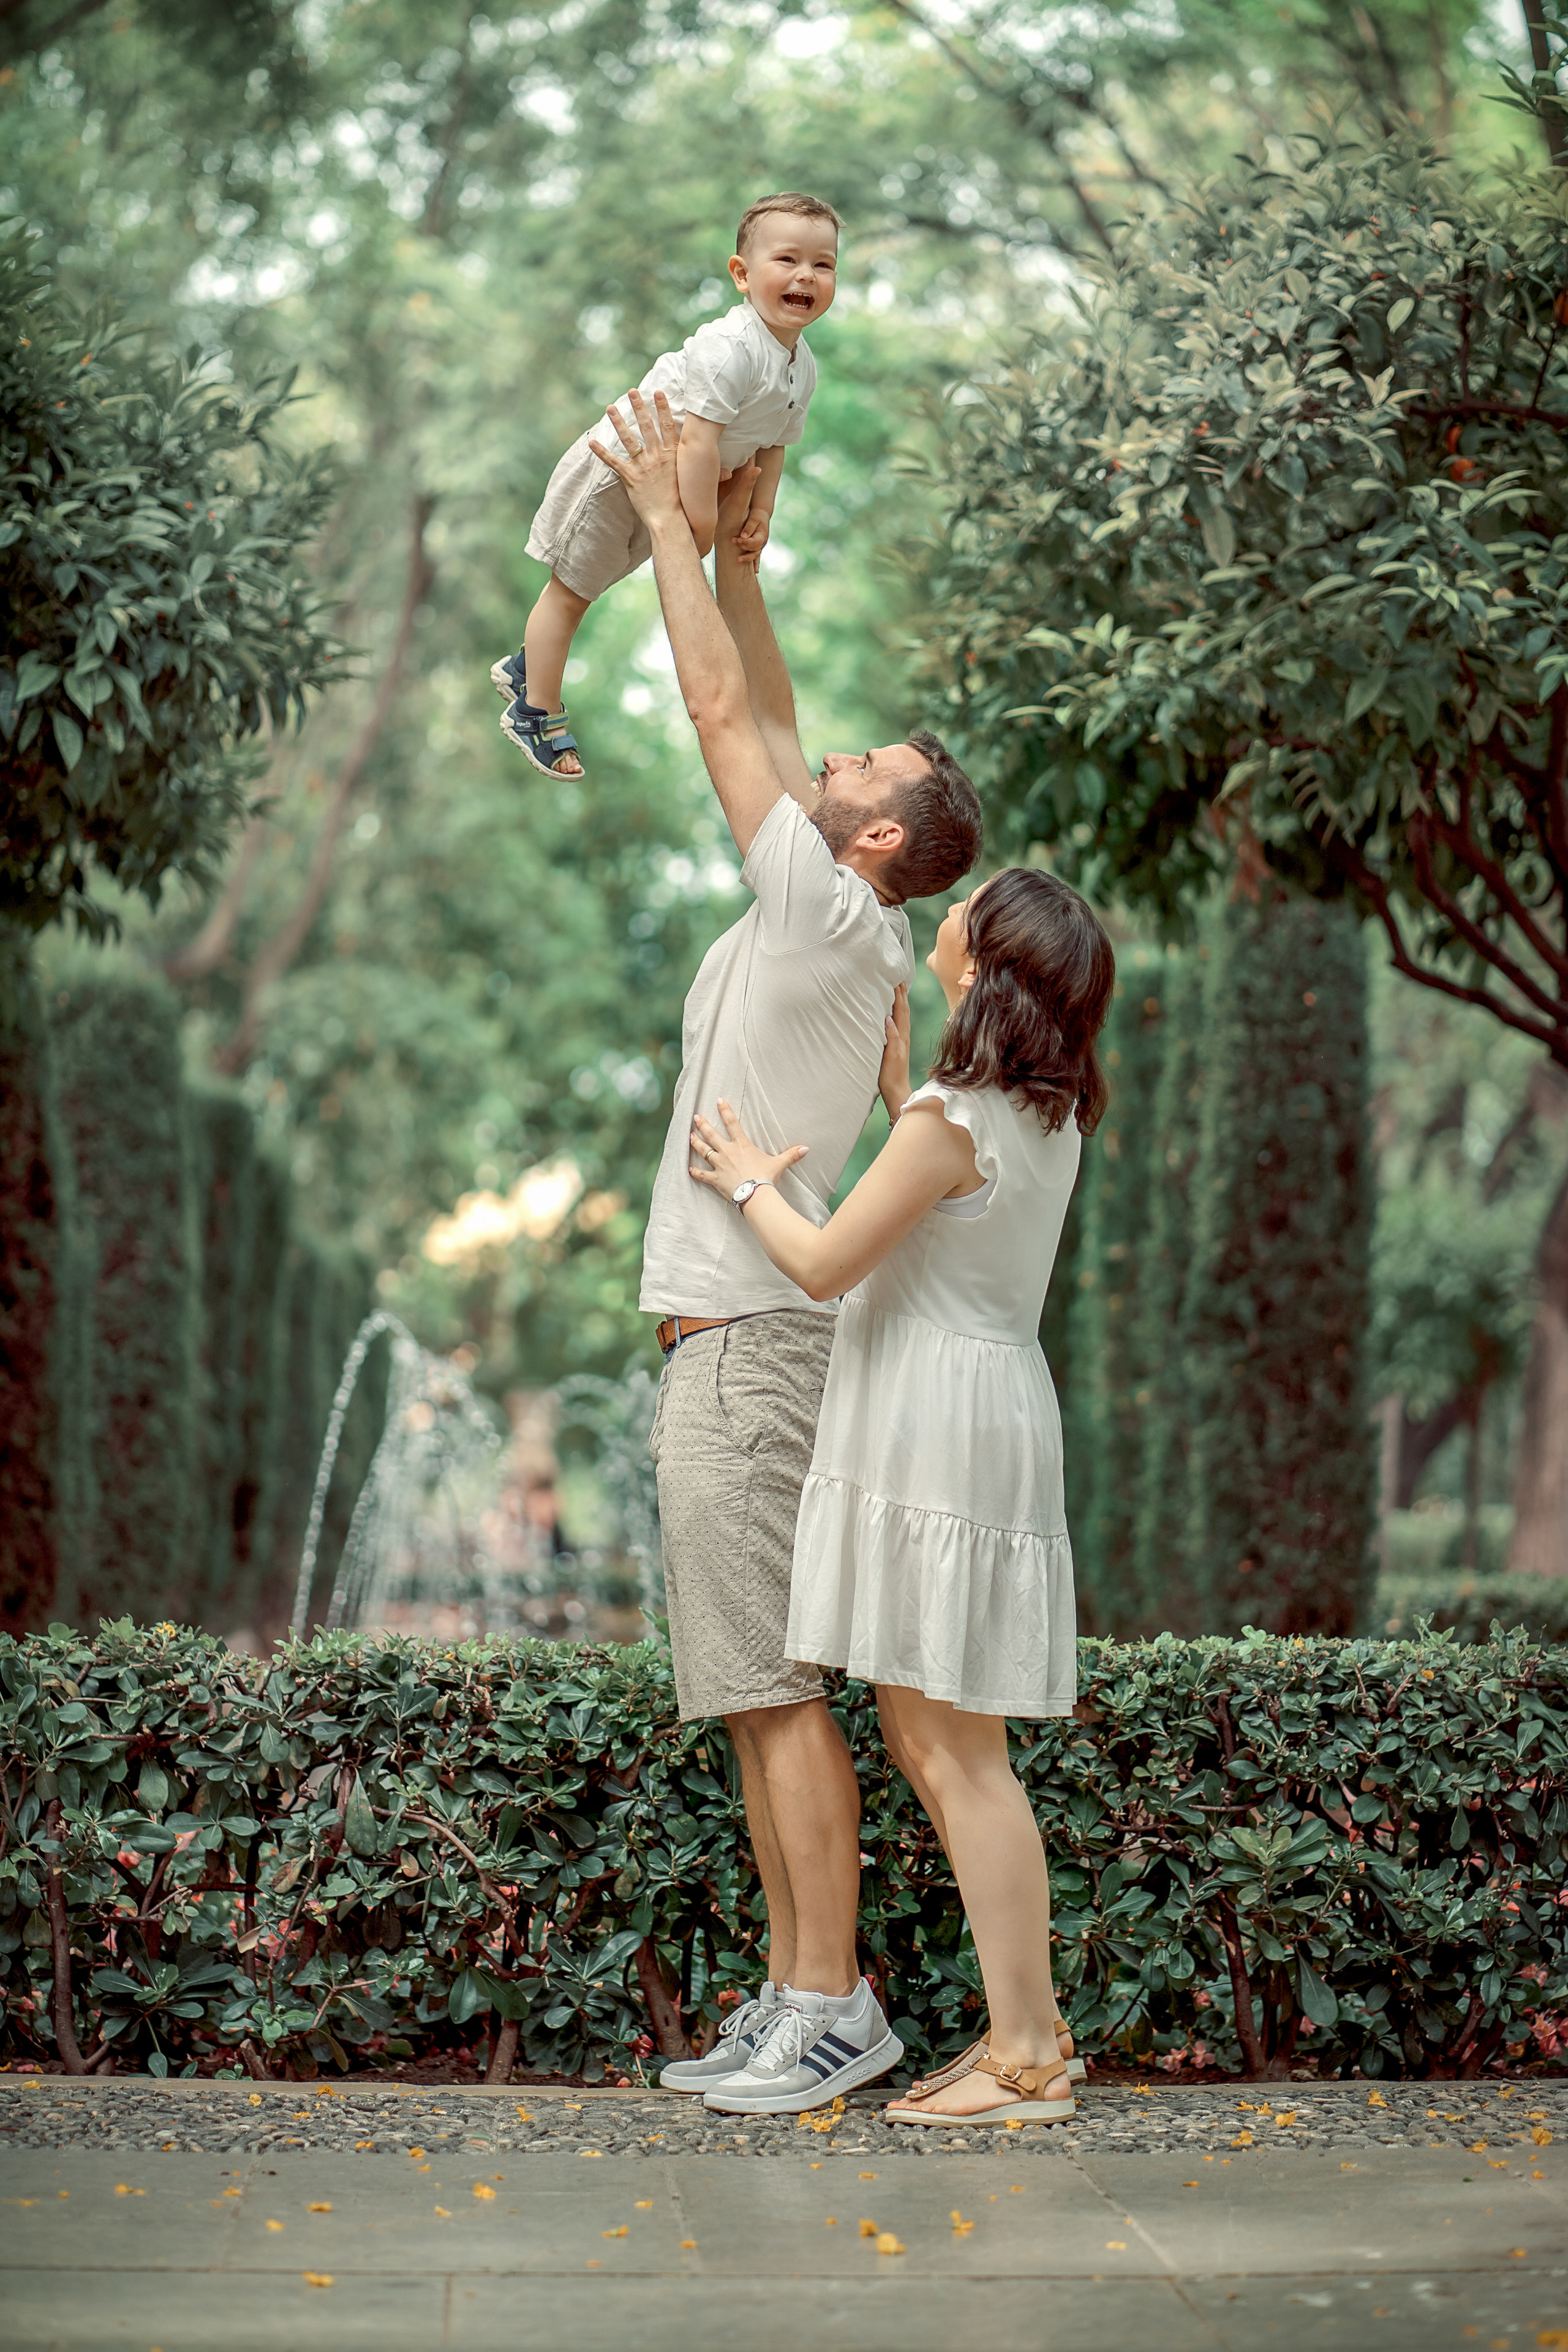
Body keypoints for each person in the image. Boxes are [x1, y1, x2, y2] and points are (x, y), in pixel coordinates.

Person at [586, 385, 982, 2114]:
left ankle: (832, 2006)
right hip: (737, 1337)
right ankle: (794, 1994)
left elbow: (723, 703)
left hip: (750, 1339)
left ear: (876, 840)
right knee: (755, 1694)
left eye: (857, 777)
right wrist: (744, 553)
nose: (830, 766)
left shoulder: (825, 908)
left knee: (771, 1695)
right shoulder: (846, 913)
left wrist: (669, 519)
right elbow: (773, 693)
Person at [688, 864, 1114, 2127]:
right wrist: (896, 1090)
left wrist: (744, 1177)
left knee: (951, 1752)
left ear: (985, 962)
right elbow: (943, 1203)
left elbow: (824, 1263)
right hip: (980, 1410)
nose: (941, 917)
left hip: (928, 1425)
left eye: (959, 913)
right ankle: (1019, 2042)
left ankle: (1027, 2054)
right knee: (944, 1747)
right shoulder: (1039, 1112)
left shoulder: (954, 1113)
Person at [490, 192, 840, 779]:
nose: (805, 275)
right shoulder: (732, 347)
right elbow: (700, 443)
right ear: (741, 274)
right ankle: (534, 708)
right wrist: (699, 530)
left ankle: (532, 665)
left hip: (668, 488)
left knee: (590, 586)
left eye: (823, 264)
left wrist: (763, 510)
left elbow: (775, 443)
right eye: (787, 260)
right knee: (570, 593)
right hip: (622, 468)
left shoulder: (800, 367)